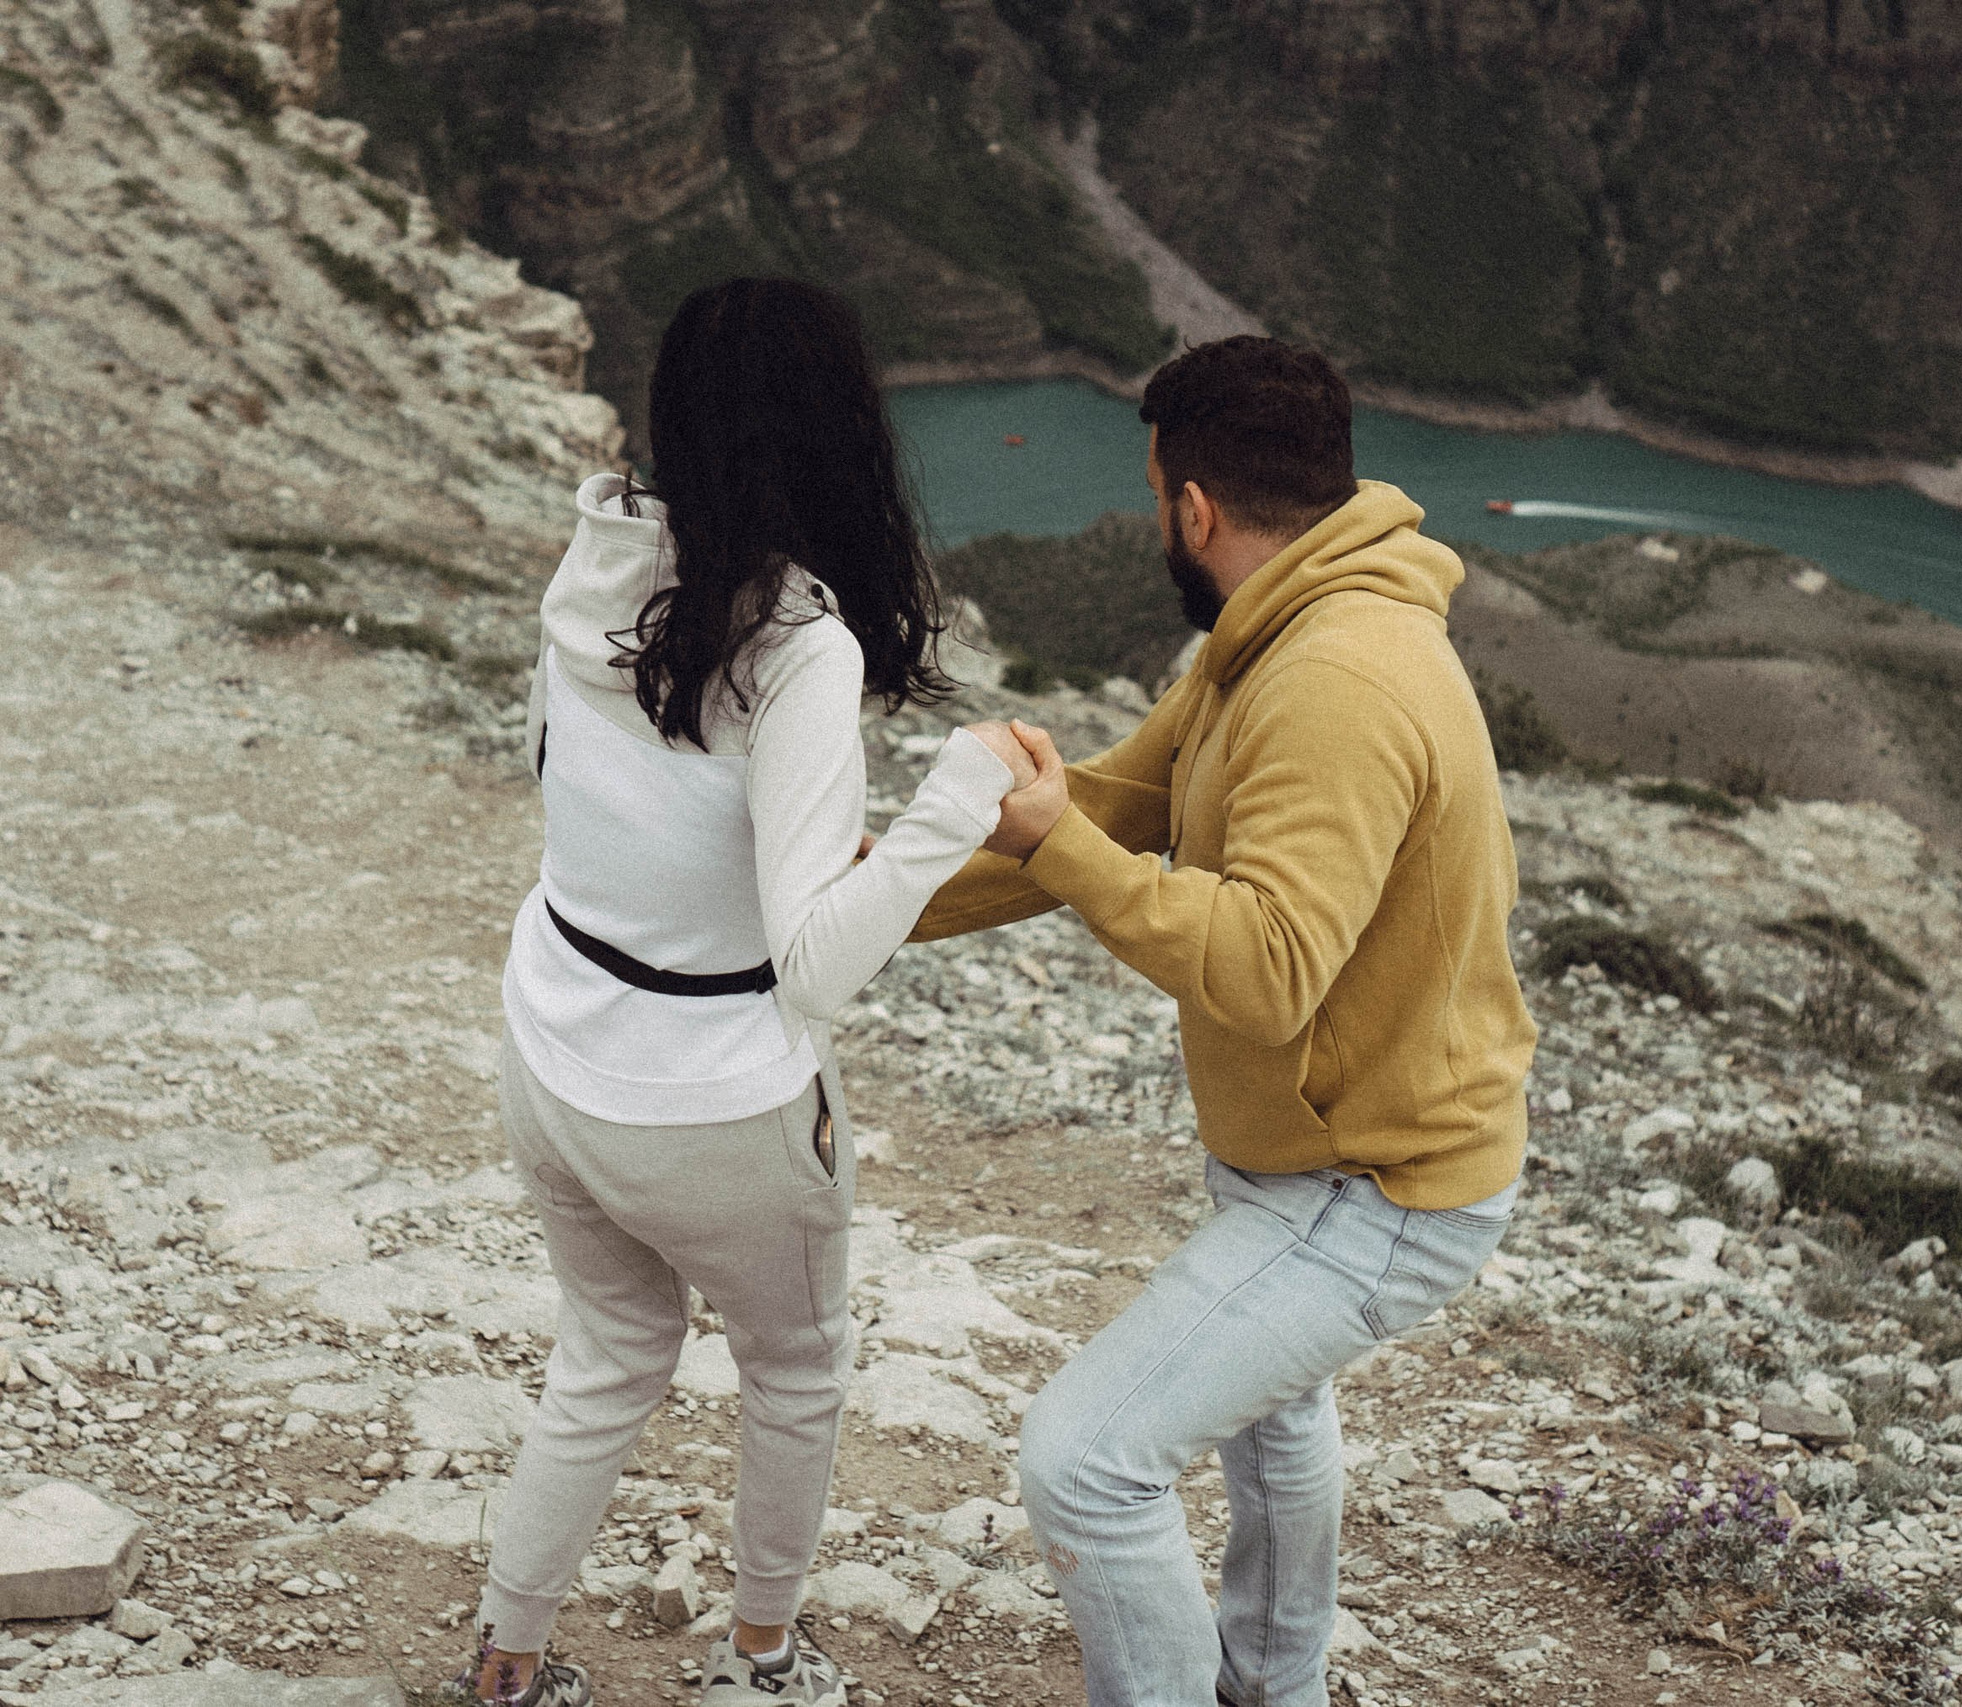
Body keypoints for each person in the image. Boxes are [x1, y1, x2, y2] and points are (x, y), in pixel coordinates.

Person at [915, 335, 1540, 1707]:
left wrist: (1053, 848)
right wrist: (859, 901)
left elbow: (1265, 970)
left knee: (1085, 1462)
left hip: (1376, 1181)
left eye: (1153, 497)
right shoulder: (1273, 636)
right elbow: (1115, 811)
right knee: (1272, 1417)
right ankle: (1278, 1685)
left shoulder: (1334, 684)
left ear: (1188, 503)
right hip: (1321, 1153)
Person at [449, 277, 1043, 1707]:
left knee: (606, 1357)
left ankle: (504, 1667)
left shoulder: (592, 561)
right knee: (795, 1369)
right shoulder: (803, 646)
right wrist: (964, 792)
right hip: (713, 1102)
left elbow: (592, 793)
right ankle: (764, 1661)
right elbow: (819, 963)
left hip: (552, 1041)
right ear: (833, 431)